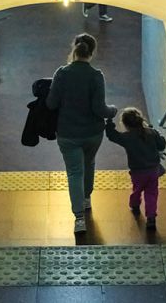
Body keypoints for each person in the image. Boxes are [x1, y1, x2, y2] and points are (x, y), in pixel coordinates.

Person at [46, 33, 116, 233]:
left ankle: (79, 219)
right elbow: (100, 109)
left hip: (68, 134)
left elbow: (51, 104)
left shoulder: (62, 73)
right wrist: (113, 110)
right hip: (93, 133)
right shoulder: (96, 76)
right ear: (91, 53)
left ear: (74, 49)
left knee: (74, 172)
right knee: (89, 163)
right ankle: (86, 199)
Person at [105, 107, 166, 230]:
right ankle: (151, 217)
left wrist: (109, 121)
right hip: (153, 170)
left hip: (138, 172)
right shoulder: (151, 132)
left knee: (137, 189)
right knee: (152, 193)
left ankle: (135, 205)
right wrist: (157, 133)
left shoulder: (127, 137)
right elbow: (162, 144)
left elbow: (112, 136)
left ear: (126, 124)